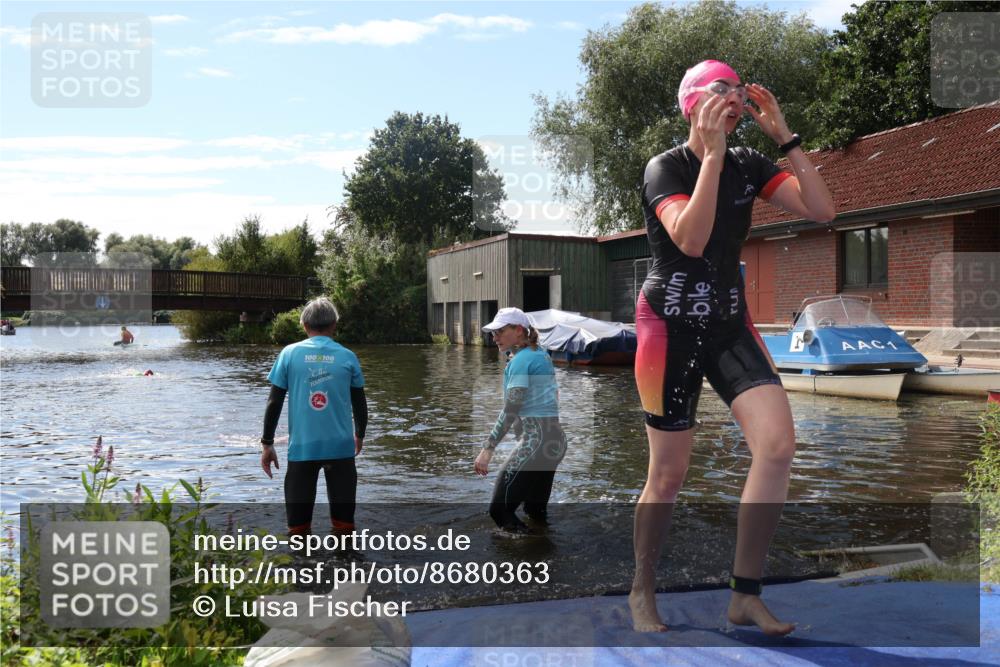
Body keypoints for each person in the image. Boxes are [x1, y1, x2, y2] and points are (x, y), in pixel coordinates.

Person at [629, 60, 835, 635]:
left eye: (739, 90)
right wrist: (713, 157)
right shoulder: (666, 166)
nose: (735, 97)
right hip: (667, 327)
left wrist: (786, 139)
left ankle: (745, 594)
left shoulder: (750, 163)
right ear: (691, 103)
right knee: (668, 475)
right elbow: (691, 240)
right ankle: (642, 588)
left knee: (778, 445)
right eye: (721, 88)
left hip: (727, 323)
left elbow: (823, 210)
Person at [260, 297, 368, 537]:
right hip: (341, 449)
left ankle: (302, 560)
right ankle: (345, 559)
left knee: (297, 530)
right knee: (344, 527)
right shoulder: (348, 357)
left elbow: (274, 402)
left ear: (304, 324)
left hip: (302, 450)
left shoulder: (289, 354)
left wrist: (267, 443)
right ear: (334, 325)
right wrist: (359, 435)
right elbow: (360, 404)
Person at [475, 307, 567, 532]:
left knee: (499, 511)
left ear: (518, 330)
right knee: (534, 511)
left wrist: (488, 448)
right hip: (555, 441)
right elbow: (553, 396)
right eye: (493, 333)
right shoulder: (540, 354)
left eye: (500, 331)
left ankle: (525, 553)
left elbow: (511, 410)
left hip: (536, 443)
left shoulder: (521, 361)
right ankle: (544, 549)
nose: (494, 337)